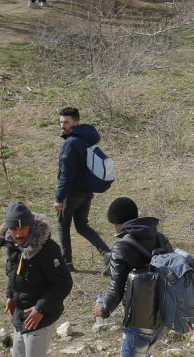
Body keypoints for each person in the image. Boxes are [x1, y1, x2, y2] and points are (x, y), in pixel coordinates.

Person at [92, 198, 169, 357]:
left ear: (117, 224)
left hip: (138, 321)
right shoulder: (160, 238)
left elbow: (116, 289)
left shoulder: (121, 247)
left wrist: (104, 310)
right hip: (161, 317)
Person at [0, 201, 72, 357]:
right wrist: (10, 295)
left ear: (31, 226)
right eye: (14, 229)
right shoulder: (13, 246)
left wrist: (40, 309)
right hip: (20, 314)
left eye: (23, 228)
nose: (18, 234)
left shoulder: (47, 250)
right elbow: (13, 273)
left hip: (40, 318)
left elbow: (64, 283)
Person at [54, 107, 111, 270]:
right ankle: (107, 253)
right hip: (86, 191)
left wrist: (59, 198)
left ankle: (67, 263)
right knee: (82, 226)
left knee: (63, 225)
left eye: (66, 122)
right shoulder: (86, 140)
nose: (62, 126)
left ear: (76, 122)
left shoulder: (70, 144)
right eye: (61, 122)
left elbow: (66, 174)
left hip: (72, 193)